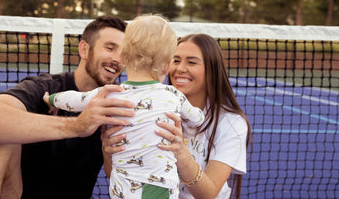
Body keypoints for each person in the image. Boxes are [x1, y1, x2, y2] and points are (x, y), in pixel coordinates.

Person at [0, 16, 136, 199]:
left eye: (124, 54)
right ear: (84, 49)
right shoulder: (45, 88)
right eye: (110, 48)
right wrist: (78, 125)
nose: (117, 59)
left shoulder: (121, 105)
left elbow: (123, 175)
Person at [44, 14, 205, 199]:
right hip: (159, 188)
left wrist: (51, 99)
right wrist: (198, 116)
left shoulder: (110, 92)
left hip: (121, 187)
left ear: (124, 57)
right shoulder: (175, 95)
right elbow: (196, 118)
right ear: (167, 66)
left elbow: (75, 100)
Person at [103, 33, 252, 199]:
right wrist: (109, 153)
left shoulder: (231, 123)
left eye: (191, 62)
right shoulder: (148, 109)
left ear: (211, 70)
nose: (180, 68)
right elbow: (120, 175)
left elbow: (208, 194)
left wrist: (181, 154)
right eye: (176, 60)